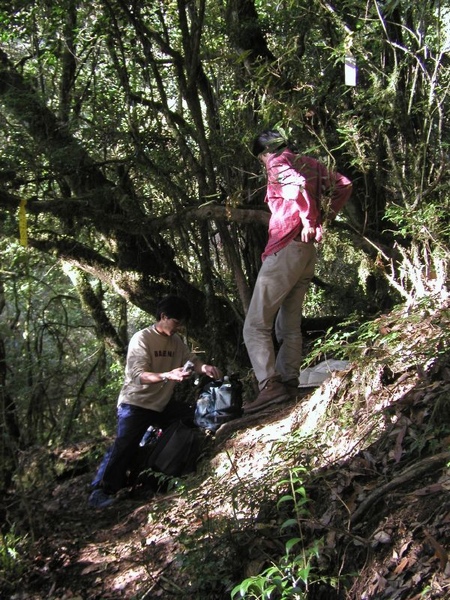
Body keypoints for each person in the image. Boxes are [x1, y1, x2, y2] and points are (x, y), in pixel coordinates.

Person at [242, 130, 352, 414]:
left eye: (261, 157)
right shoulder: (310, 162)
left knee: (255, 324)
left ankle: (269, 385)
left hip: (286, 246)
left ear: (265, 152)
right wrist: (322, 218)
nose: (264, 162)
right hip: (306, 250)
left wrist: (308, 219)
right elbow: (343, 185)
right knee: (288, 324)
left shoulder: (277, 162)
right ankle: (289, 381)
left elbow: (295, 186)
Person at [89, 295, 222, 508]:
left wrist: (204, 368)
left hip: (162, 404)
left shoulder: (176, 342)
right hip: (135, 404)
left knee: (193, 417)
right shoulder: (142, 339)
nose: (179, 327)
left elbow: (191, 360)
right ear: (163, 316)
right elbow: (139, 375)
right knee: (124, 445)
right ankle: (101, 491)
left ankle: (160, 474)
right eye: (176, 322)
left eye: (181, 323)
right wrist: (168, 375)